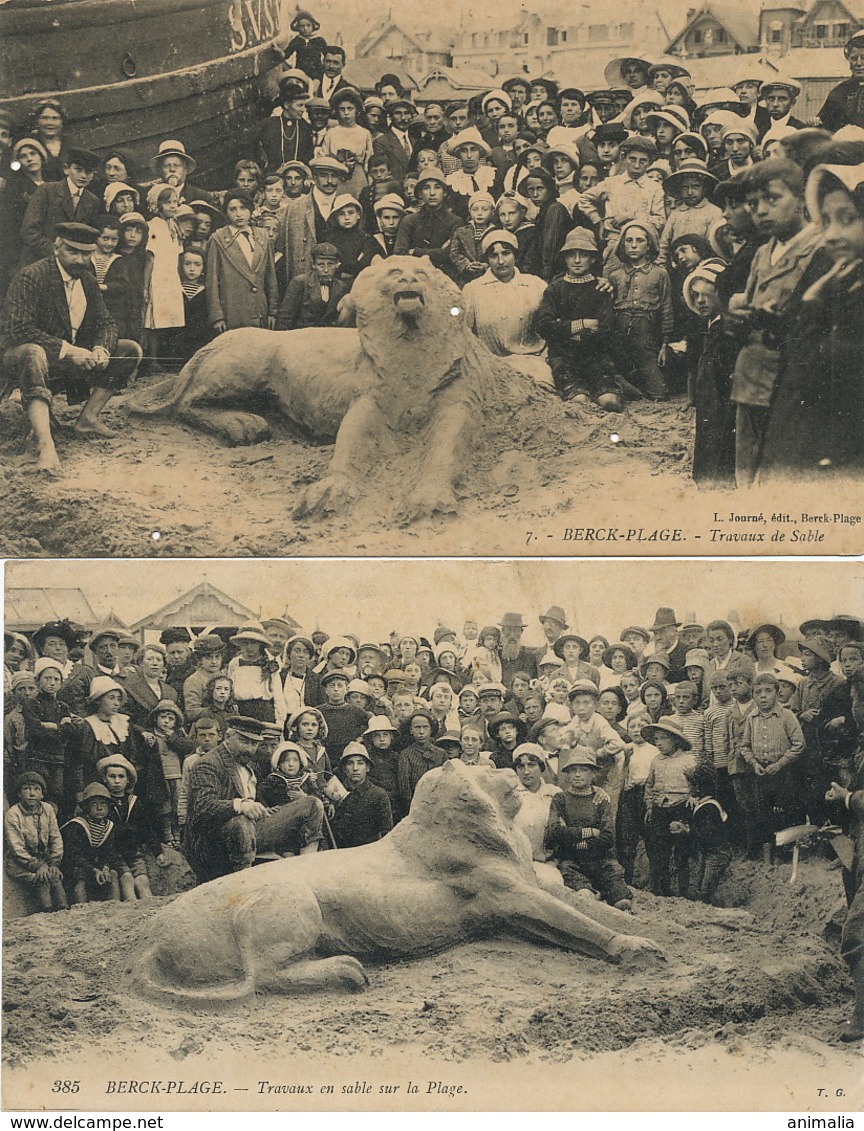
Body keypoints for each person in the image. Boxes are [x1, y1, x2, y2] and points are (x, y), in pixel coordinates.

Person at [1, 222, 142, 473]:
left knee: (130, 349)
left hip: (68, 357)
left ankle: (88, 419)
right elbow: (19, 331)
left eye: (86, 253)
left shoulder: (87, 280)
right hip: (20, 359)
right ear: (57, 247)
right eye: (73, 252)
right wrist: (70, 350)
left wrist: (101, 349)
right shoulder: (31, 276)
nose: (80, 259)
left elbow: (106, 322)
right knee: (33, 352)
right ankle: (45, 444)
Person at [727, 158, 822, 486]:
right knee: (748, 460)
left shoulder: (818, 249)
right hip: (752, 376)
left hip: (791, 379)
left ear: (800, 200)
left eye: (772, 199)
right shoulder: (762, 252)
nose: (761, 211)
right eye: (752, 204)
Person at [185, 716, 321, 883]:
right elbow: (203, 805)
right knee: (241, 821)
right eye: (244, 741)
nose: (249, 748)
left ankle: (306, 870)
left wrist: (262, 808)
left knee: (312, 804)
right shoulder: (208, 764)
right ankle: (242, 884)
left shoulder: (246, 765)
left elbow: (252, 800)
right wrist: (241, 805)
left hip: (248, 833)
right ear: (228, 737)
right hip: (214, 843)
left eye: (254, 743)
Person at [536, 227, 623, 411]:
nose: (576, 260)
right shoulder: (555, 290)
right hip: (564, 358)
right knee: (580, 402)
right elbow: (544, 326)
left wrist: (567, 331)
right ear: (565, 258)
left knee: (610, 403)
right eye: (571, 255)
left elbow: (607, 328)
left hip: (595, 357)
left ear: (592, 258)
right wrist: (582, 324)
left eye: (583, 255)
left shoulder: (600, 289)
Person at [545, 746, 632, 910]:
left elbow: (607, 836)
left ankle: (606, 892)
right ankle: (591, 891)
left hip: (600, 858)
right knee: (584, 896)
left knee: (622, 900)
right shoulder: (560, 799)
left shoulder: (600, 800)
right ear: (568, 774)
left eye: (583, 770)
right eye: (573, 770)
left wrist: (576, 840)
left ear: (594, 774)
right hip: (571, 860)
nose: (577, 774)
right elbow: (555, 831)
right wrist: (589, 832)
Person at [461, 229, 551, 387]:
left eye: (506, 253)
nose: (501, 261)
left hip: (533, 363)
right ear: (487, 260)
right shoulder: (473, 290)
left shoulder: (536, 285)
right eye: (494, 256)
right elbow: (464, 333)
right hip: (490, 365)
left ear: (515, 255)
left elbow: (551, 325)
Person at [740, 672, 805, 863]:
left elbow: (799, 744)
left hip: (784, 773)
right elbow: (744, 746)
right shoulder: (752, 718)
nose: (763, 696)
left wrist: (780, 764)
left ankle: (782, 854)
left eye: (768, 691)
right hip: (761, 773)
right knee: (763, 813)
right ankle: (767, 855)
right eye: (758, 692)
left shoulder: (786, 716)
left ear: (777, 693)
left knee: (783, 811)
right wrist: (753, 763)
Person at [606, 221, 674, 401]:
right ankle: (626, 384)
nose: (634, 245)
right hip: (620, 330)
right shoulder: (615, 276)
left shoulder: (660, 274)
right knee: (615, 372)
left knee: (658, 393)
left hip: (646, 331)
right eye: (629, 240)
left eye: (639, 240)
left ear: (649, 244)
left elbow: (667, 308)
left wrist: (665, 344)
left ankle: (639, 386)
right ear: (622, 244)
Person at [204, 190, 278, 333]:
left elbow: (271, 277)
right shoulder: (218, 239)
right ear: (226, 212)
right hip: (232, 311)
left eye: (243, 208)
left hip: (259, 310)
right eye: (233, 209)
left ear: (251, 210)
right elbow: (212, 281)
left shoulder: (263, 237)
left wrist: (273, 312)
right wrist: (217, 316)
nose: (239, 214)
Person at [19, 147, 102, 266]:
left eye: (88, 172)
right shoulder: (47, 190)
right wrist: (57, 253)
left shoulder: (92, 201)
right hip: (38, 260)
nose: (83, 176)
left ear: (92, 176)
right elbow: (29, 231)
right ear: (66, 169)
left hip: (72, 264)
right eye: (78, 170)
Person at [643, 718, 697, 896]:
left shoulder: (688, 761)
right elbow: (649, 785)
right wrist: (650, 805)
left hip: (680, 807)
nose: (659, 743)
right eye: (656, 739)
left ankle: (684, 891)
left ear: (676, 740)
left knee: (682, 852)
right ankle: (661, 891)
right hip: (660, 808)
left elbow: (697, 784)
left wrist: (694, 798)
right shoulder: (655, 761)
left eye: (663, 739)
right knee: (659, 851)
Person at [278, 154, 349, 285]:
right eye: (324, 176)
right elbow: (282, 249)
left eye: (333, 176)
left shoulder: (347, 206)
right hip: (305, 279)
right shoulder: (295, 208)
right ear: (314, 178)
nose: (329, 181)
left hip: (336, 282)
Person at [4, 771, 67, 912]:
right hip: (20, 864)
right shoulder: (13, 814)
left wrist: (54, 863)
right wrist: (37, 866)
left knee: (54, 876)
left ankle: (64, 910)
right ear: (19, 793)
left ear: (42, 794)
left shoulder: (48, 809)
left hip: (44, 860)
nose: (32, 794)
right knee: (42, 878)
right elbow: (16, 848)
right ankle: (46, 910)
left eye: (36, 789)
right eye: (26, 789)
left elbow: (55, 837)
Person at [61, 781, 128, 904]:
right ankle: (80, 906)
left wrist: (105, 867)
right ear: (86, 807)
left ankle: (115, 904)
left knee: (112, 873)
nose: (99, 808)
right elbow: (73, 854)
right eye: (94, 804)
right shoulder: (77, 826)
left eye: (103, 803)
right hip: (78, 867)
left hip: (96, 867)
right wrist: (93, 870)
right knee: (79, 875)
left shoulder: (108, 826)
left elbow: (109, 851)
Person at [393, 168, 462, 274]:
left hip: (445, 276)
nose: (432, 193)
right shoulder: (409, 221)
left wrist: (415, 251)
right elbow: (399, 253)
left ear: (445, 193)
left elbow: (449, 255)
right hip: (415, 275)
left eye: (437, 187)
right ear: (420, 193)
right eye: (426, 188)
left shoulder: (455, 222)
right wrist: (438, 252)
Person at [330, 742, 393, 847]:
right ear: (344, 768)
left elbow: (387, 832)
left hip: (368, 855)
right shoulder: (333, 793)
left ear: (367, 767)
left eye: (360, 763)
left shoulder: (378, 795)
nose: (355, 768)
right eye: (350, 763)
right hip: (339, 855)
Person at [513, 743, 561, 861]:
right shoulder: (511, 795)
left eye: (532, 765)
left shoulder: (555, 793)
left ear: (541, 767)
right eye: (521, 766)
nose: (526, 772)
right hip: (519, 861)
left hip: (552, 861)